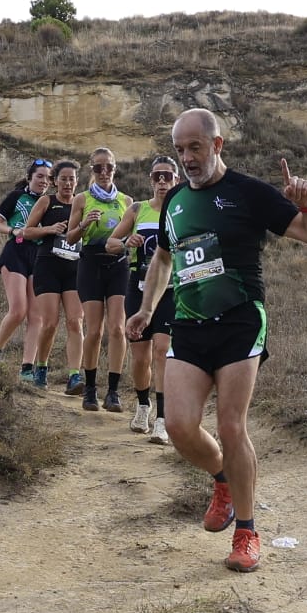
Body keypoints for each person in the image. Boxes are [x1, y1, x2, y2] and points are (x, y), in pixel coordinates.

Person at [126, 109, 307, 573]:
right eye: (179, 149)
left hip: (240, 322)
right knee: (178, 425)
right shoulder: (174, 200)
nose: (187, 158)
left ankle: (248, 531)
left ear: (217, 145)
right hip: (191, 322)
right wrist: (145, 308)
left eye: (195, 147)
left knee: (233, 426)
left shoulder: (248, 192)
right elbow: (162, 259)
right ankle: (222, 482)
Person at [108, 157, 180, 441]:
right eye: (157, 176)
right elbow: (110, 243)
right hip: (137, 287)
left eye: (168, 176)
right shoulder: (137, 209)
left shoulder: (181, 210)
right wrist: (127, 242)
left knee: (163, 349)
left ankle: (162, 419)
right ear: (150, 180)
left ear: (177, 180)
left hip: (171, 291)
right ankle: (142, 406)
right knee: (140, 357)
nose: (162, 182)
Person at [66, 147, 132, 413]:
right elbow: (70, 238)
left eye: (109, 167)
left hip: (118, 264)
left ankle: (113, 391)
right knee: (94, 330)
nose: (104, 172)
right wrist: (84, 225)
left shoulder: (127, 202)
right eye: (98, 168)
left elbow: (132, 236)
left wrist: (126, 242)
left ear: (115, 169)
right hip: (90, 262)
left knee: (117, 328)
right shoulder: (81, 199)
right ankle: (90, 389)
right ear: (90, 170)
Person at [20, 161, 82, 391]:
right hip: (48, 267)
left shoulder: (81, 202)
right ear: (55, 181)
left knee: (76, 321)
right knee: (50, 323)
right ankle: (42, 367)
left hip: (75, 267)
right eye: (63, 178)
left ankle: (75, 375)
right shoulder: (47, 201)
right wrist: (49, 229)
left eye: (72, 179)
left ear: (77, 181)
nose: (67, 183)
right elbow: (27, 231)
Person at [0, 159, 52, 379]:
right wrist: (13, 230)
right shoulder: (17, 197)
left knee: (37, 316)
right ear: (30, 178)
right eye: (40, 176)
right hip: (15, 252)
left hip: (39, 256)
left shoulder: (50, 203)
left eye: (47, 177)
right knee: (18, 310)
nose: (44, 181)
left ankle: (27, 368)